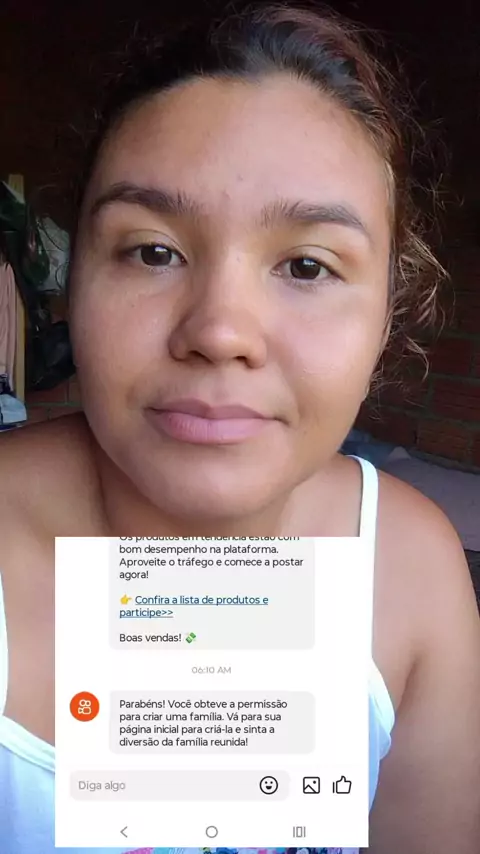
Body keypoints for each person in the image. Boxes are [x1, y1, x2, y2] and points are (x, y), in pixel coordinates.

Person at [0, 3, 479, 853]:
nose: (220, 331)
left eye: (307, 266)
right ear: (76, 283)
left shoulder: (408, 571)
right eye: (153, 251)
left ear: (389, 313)